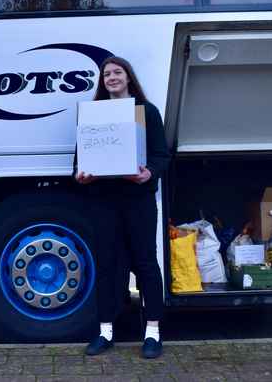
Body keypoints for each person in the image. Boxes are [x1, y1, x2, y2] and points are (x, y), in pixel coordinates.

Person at [74, 56, 170, 359]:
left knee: (145, 264)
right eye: (106, 75)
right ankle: (105, 331)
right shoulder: (91, 115)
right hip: (102, 200)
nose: (111, 78)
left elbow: (161, 156)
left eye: (117, 72)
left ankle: (152, 332)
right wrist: (80, 175)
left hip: (137, 199)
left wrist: (147, 173)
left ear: (129, 77)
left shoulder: (146, 112)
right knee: (106, 265)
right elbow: (78, 162)